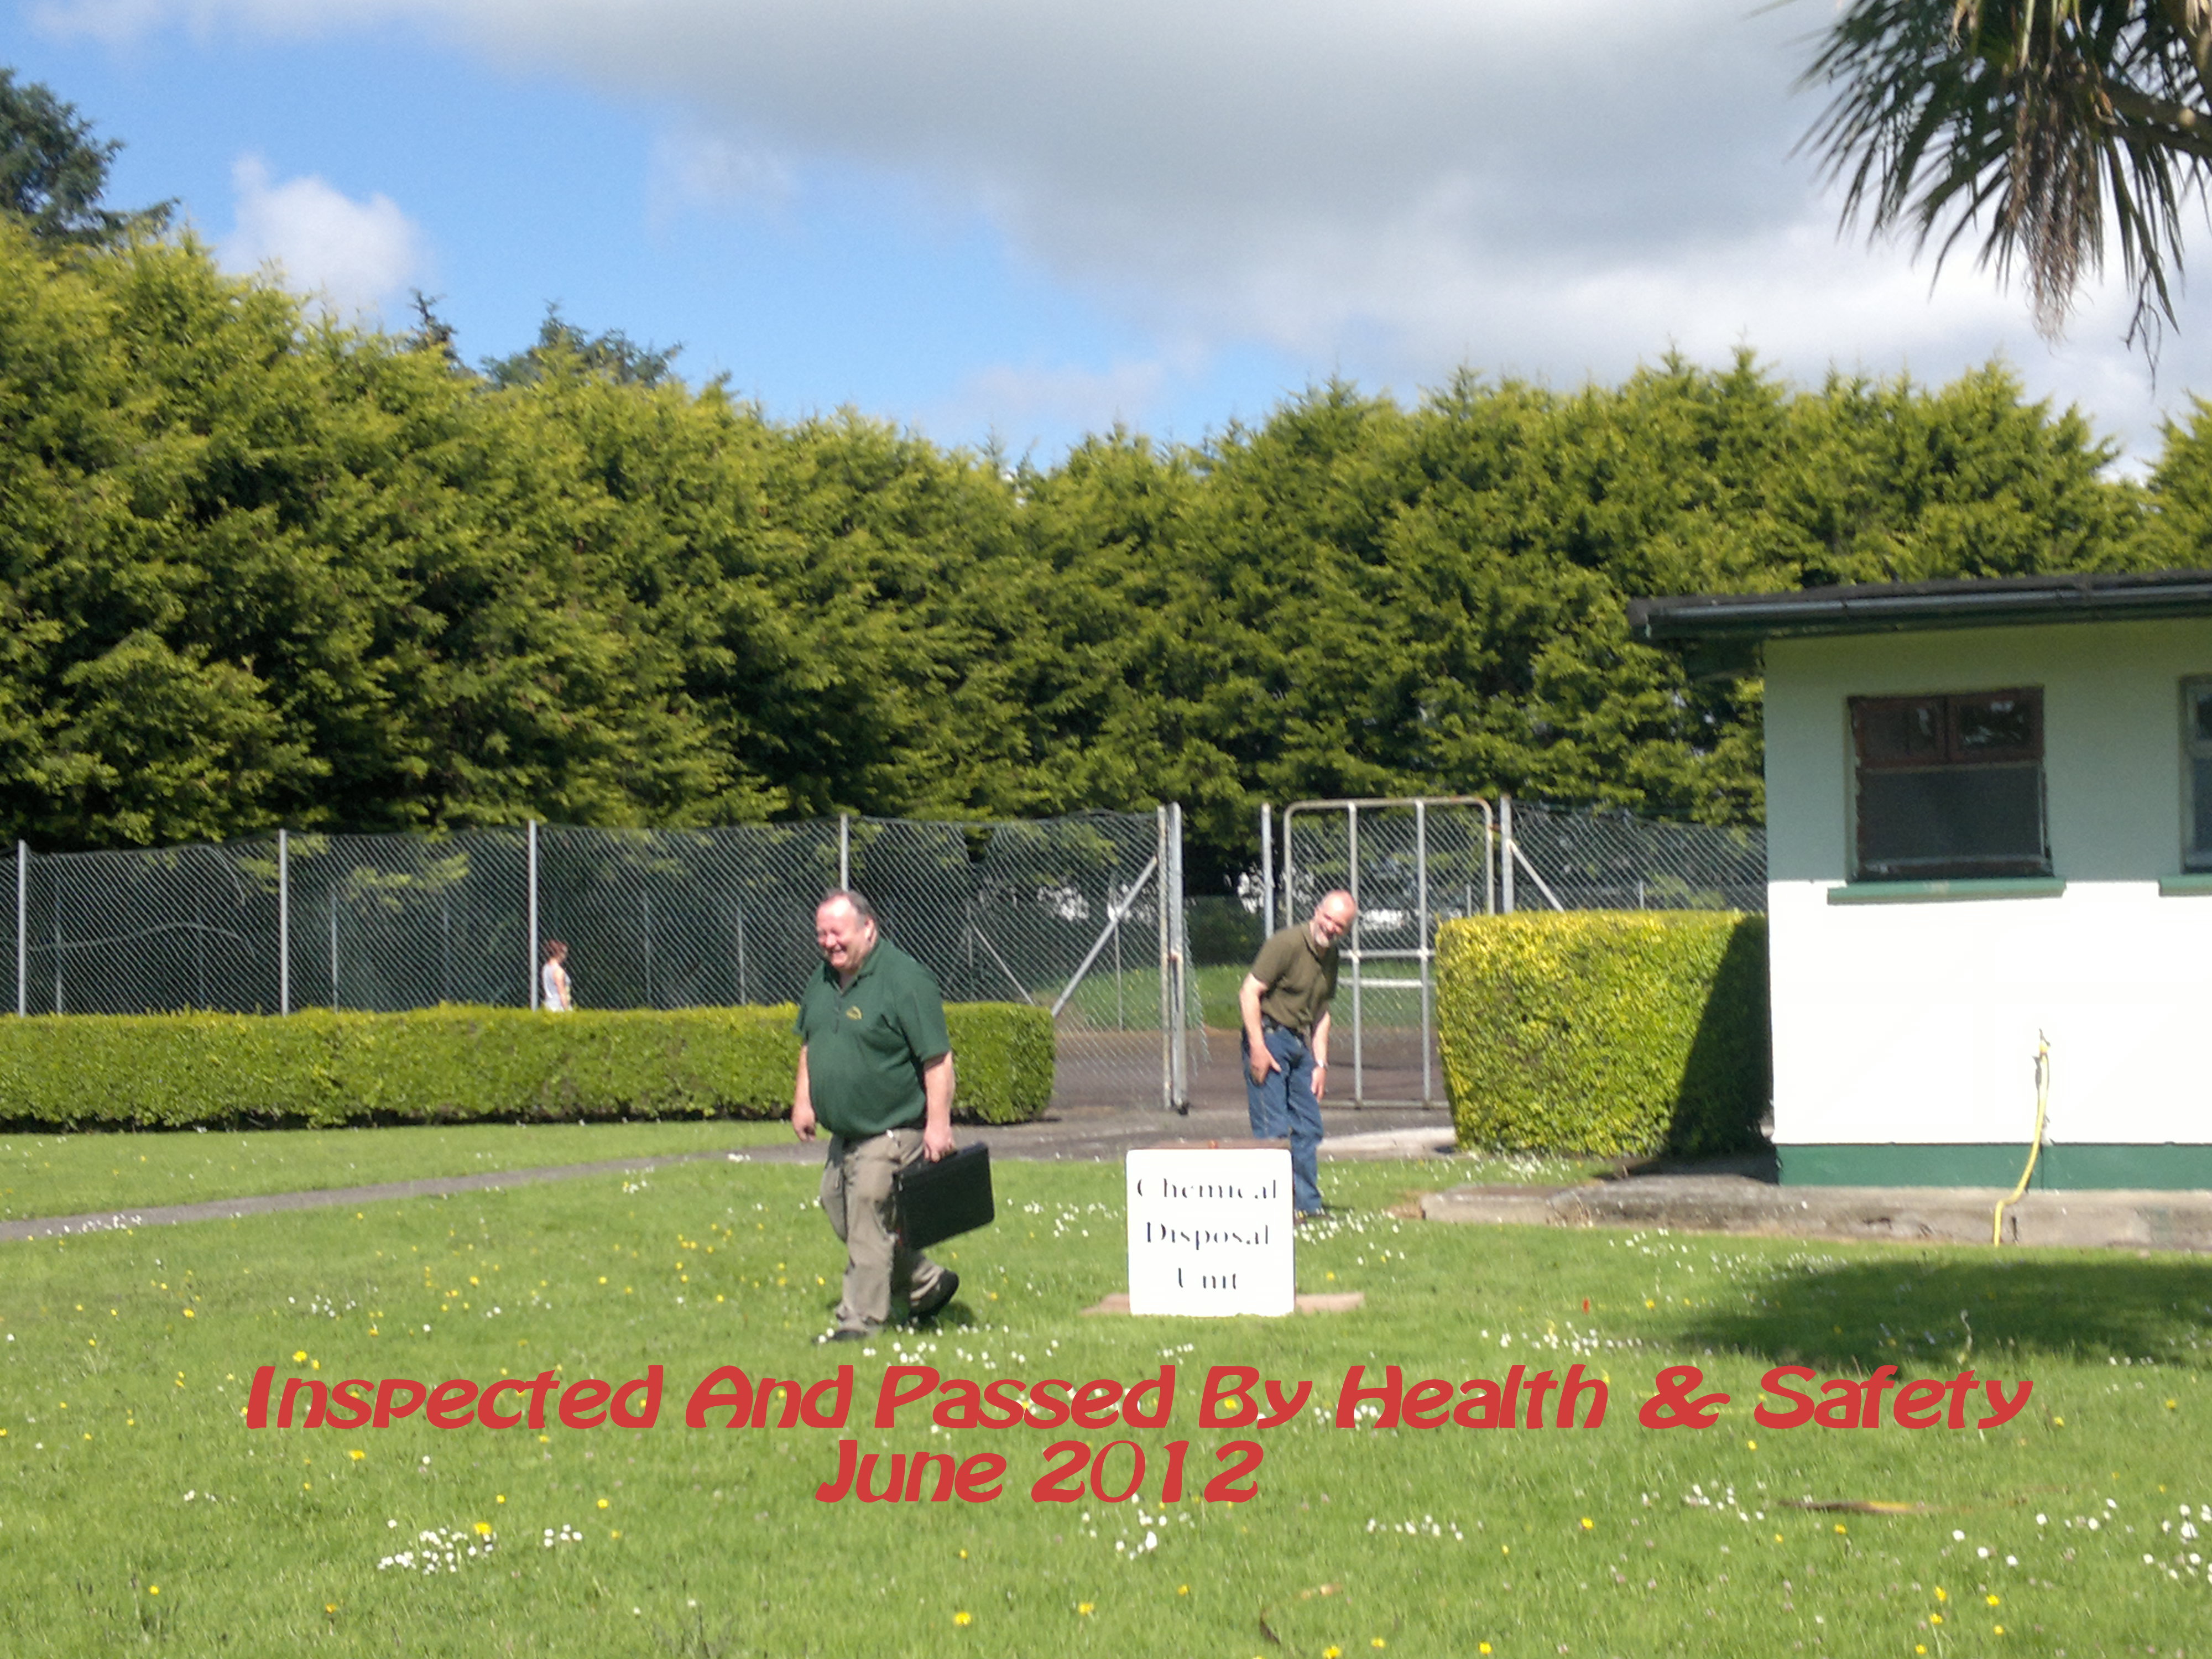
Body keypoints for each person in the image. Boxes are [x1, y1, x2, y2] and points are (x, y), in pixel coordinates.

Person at [791, 890, 960, 1342]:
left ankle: (860, 1321)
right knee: (839, 1209)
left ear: (868, 928)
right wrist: (804, 1100)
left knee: (867, 1210)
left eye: (837, 932)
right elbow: (810, 1042)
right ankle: (926, 1283)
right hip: (844, 1133)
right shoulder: (822, 979)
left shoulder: (905, 979)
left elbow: (938, 1059)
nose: (828, 942)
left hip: (892, 1129)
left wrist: (938, 1125)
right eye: (821, 934)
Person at [1238, 889, 1357, 1219]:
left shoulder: (1331, 956)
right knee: (1273, 1130)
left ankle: (1307, 1204)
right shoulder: (1286, 944)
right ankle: (1275, 1208)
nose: (1331, 928)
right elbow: (1249, 992)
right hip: (1268, 1038)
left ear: (1346, 930)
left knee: (1308, 1127)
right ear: (1317, 911)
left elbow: (1322, 1012)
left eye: (1340, 925)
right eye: (1328, 918)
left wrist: (1320, 1064)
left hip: (1297, 1044)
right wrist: (1258, 1048)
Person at [540, 940, 572, 1011]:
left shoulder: (546, 968)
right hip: (558, 1007)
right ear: (559, 953)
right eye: (564, 953)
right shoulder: (559, 971)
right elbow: (562, 992)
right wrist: (567, 1010)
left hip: (549, 1005)